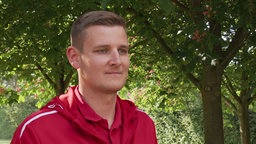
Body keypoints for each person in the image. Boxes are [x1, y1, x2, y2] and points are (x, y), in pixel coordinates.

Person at [11, 10, 158, 144]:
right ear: (75, 57)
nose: (117, 61)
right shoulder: (37, 131)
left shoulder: (143, 124)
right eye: (102, 51)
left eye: (122, 50)